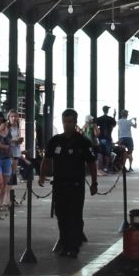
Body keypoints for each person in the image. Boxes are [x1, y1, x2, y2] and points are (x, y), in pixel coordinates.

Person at [38, 109, 97, 258]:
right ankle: (65, 244)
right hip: (59, 184)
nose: (67, 125)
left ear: (75, 122)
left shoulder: (83, 142)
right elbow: (47, 159)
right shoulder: (55, 141)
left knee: (75, 216)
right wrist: (42, 175)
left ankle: (74, 247)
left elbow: (91, 163)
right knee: (61, 215)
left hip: (76, 185)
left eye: (70, 122)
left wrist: (94, 183)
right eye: (65, 122)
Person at [94, 106, 117, 172]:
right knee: (107, 154)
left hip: (100, 138)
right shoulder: (110, 119)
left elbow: (95, 124)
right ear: (107, 111)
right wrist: (114, 116)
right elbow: (114, 125)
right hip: (108, 138)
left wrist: (97, 133)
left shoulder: (99, 118)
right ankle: (106, 167)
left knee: (101, 153)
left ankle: (100, 167)